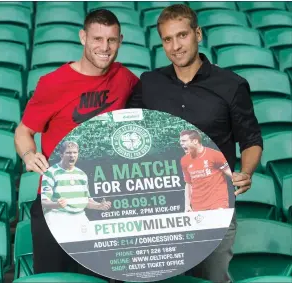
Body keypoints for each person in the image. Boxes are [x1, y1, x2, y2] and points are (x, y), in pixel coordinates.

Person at [126, 4, 263, 283]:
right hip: (160, 208)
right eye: (167, 39)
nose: (175, 46)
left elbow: (251, 140)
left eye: (182, 35)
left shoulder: (231, 85)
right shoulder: (149, 83)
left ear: (197, 34)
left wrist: (246, 172)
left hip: (214, 206)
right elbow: (130, 134)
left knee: (211, 280)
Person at [14, 9, 139, 276]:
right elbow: (23, 131)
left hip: (105, 201)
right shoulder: (53, 84)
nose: (104, 48)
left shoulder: (125, 79)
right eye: (97, 39)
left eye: (112, 40)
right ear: (83, 37)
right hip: (55, 201)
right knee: (55, 279)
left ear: (120, 41)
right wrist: (28, 154)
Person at [41, 141, 111, 243]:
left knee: (90, 248)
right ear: (61, 155)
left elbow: (86, 201)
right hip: (58, 217)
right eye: (68, 153)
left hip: (80, 218)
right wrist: (57, 204)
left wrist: (99, 206)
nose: (72, 156)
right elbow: (44, 202)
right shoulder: (51, 173)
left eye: (75, 153)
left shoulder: (81, 174)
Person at [179, 130, 232, 212]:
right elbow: (188, 184)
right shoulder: (184, 160)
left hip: (218, 203)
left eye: (184, 141)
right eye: (180, 141)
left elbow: (231, 174)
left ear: (195, 141)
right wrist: (187, 205)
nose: (181, 143)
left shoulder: (215, 155)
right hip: (198, 206)